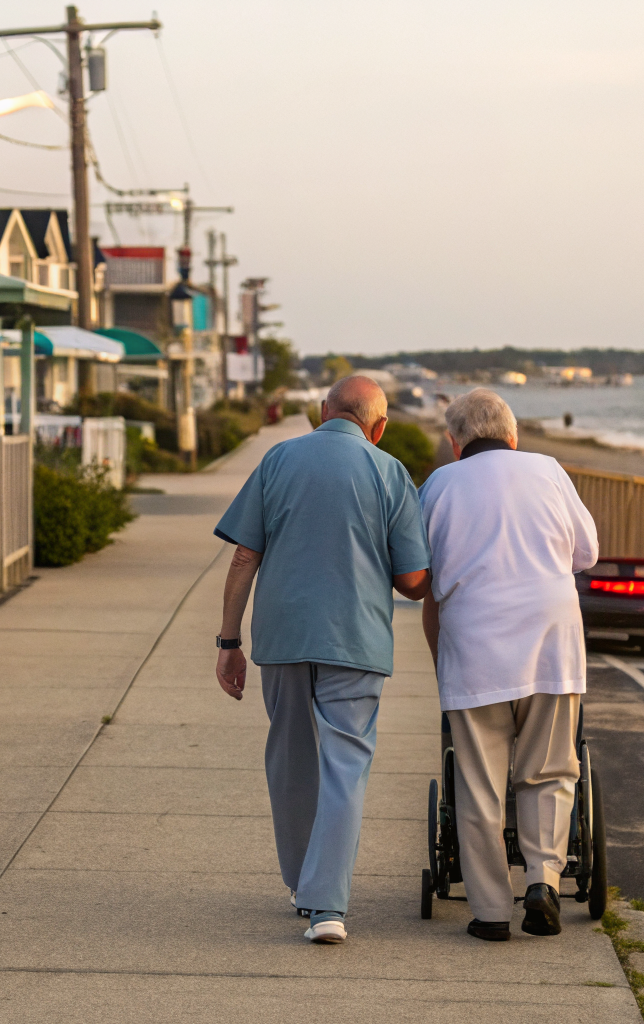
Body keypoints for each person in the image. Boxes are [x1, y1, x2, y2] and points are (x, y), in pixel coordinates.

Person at [213, 376, 432, 944]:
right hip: (355, 641)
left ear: (321, 411)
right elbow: (412, 581)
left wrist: (228, 642)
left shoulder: (279, 459)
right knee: (344, 768)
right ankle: (326, 906)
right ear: (378, 427)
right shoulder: (389, 473)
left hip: (282, 637)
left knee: (290, 760)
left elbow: (244, 557)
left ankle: (299, 884)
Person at [419, 388, 598, 942]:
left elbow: (416, 575)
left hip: (475, 649)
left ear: (455, 443)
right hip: (550, 642)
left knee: (478, 784)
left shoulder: (439, 485)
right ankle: (544, 880)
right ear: (513, 436)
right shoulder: (547, 470)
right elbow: (586, 553)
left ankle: (492, 911)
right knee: (548, 769)